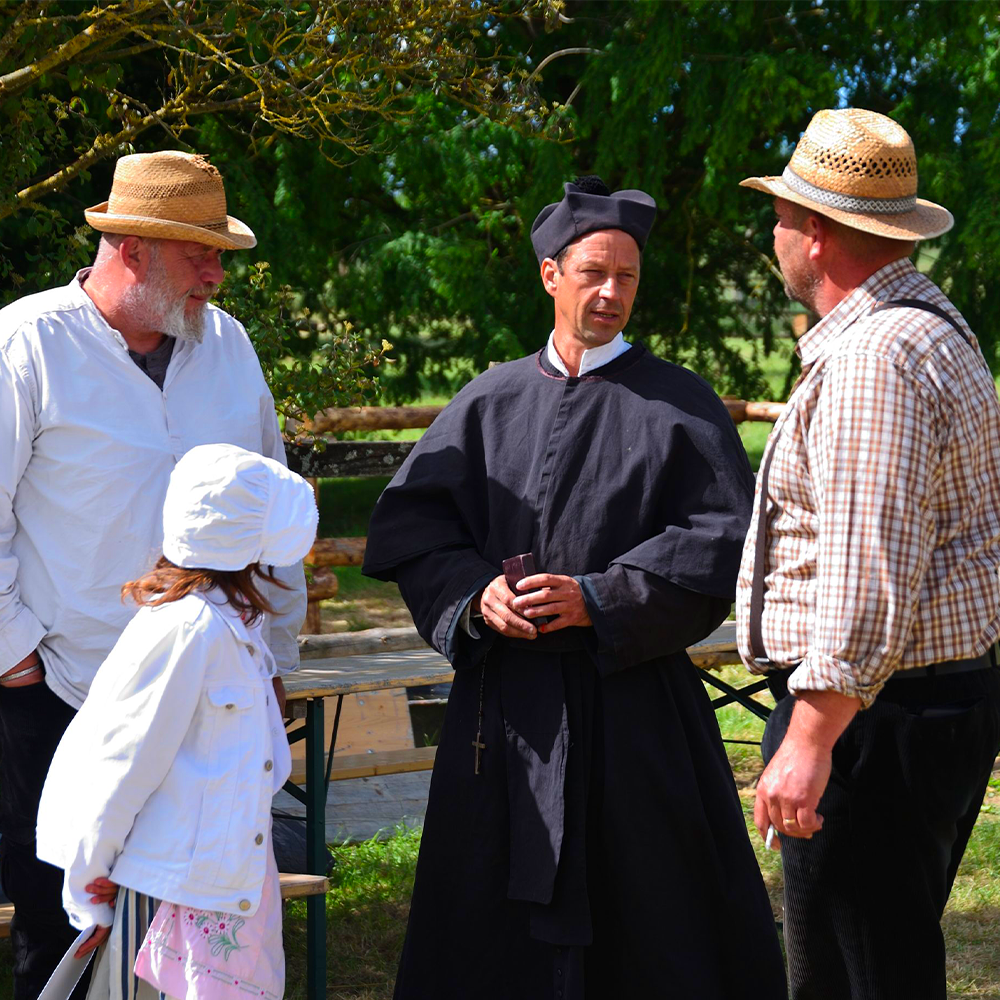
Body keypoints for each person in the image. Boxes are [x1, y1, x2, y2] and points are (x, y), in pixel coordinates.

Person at [362, 176, 787, 999]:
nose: (611, 292)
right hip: (502, 721)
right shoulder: (488, 402)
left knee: (654, 929)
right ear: (551, 275)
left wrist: (601, 598)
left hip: (634, 717)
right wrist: (476, 596)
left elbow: (721, 544)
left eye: (626, 277)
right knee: (488, 942)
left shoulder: (681, 406)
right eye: (593, 272)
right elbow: (414, 532)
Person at [0, 150, 307, 999]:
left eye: (219, 252)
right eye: (198, 252)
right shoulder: (27, 342)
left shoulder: (230, 347)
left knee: (193, 940)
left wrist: (274, 655)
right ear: (132, 249)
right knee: (63, 937)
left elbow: (269, 506)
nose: (217, 273)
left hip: (210, 700)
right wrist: (17, 661)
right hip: (63, 694)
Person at [736, 107, 1000, 999]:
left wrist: (811, 737)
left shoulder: (874, 359)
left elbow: (866, 566)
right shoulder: (927, 329)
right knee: (883, 963)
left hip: (871, 723)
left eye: (779, 216)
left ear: (814, 233)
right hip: (914, 707)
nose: (772, 234)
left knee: (853, 982)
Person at [35, 443, 317, 1000]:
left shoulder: (231, 624)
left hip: (225, 876)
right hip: (168, 887)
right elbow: (121, 755)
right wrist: (89, 875)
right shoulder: (187, 629)